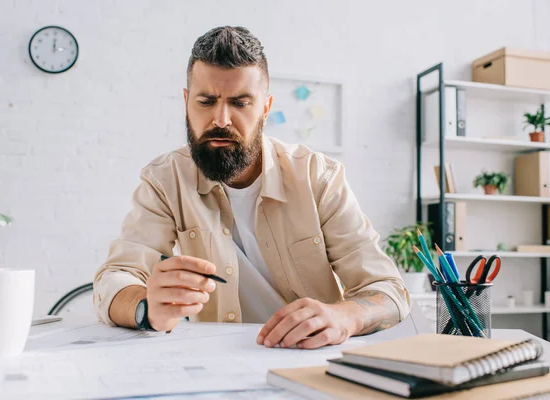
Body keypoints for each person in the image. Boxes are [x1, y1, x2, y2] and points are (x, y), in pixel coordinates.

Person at [93, 26, 410, 350]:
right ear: (187, 101)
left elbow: (388, 291)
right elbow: (114, 279)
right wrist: (148, 307)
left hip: (311, 363)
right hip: (214, 365)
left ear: (265, 107)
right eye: (206, 101)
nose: (221, 119)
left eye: (240, 103)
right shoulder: (165, 180)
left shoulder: (319, 177)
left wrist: (344, 318)